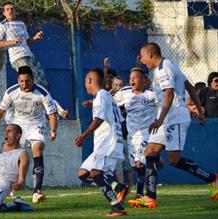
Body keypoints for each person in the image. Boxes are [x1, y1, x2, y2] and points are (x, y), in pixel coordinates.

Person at [128, 43, 218, 208]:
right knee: (150, 152)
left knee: (174, 160)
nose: (142, 60)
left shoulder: (164, 69)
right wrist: (199, 111)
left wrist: (161, 119)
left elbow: (169, 94)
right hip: (166, 119)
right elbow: (190, 87)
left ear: (151, 54)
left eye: (142, 56)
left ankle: (213, 178)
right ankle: (150, 197)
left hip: (174, 118)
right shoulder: (167, 66)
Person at [0, 66, 57, 204]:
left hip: (36, 124)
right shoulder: (11, 92)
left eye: (27, 81)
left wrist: (53, 131)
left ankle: (37, 191)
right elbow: (0, 111)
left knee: (38, 149)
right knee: (9, 155)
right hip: (17, 124)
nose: (24, 84)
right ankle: (8, 189)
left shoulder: (42, 93)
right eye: (21, 81)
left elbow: (52, 114)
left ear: (33, 80)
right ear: (18, 80)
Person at [0, 1, 68, 119]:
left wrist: (35, 38)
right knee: (33, 83)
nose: (10, 11)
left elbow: (27, 42)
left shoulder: (21, 24)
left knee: (43, 83)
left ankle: (47, 110)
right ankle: (52, 110)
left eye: (12, 8)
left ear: (15, 11)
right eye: (7, 9)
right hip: (18, 58)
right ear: (4, 13)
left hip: (29, 56)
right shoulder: (2, 25)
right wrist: (12, 42)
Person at [74, 68, 129, 217]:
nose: (85, 84)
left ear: (90, 80)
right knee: (83, 174)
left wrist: (83, 136)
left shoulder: (101, 96)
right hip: (109, 143)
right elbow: (121, 120)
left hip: (107, 143)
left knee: (97, 174)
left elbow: (98, 119)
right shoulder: (107, 97)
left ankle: (117, 207)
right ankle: (118, 187)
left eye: (86, 80)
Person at [114, 67, 158, 199]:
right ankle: (140, 193)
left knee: (140, 163)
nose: (132, 80)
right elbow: (110, 102)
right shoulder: (124, 92)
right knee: (136, 165)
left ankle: (139, 194)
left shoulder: (151, 95)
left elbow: (167, 102)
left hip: (145, 134)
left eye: (135, 78)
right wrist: (93, 103)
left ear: (144, 80)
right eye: (130, 78)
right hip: (131, 136)